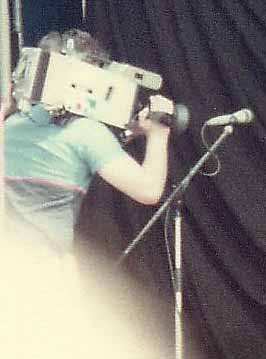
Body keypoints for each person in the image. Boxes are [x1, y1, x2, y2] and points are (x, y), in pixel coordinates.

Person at [3, 29, 174, 258]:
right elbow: (148, 190)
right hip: (44, 272)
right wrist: (158, 134)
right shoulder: (87, 134)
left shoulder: (11, 125)